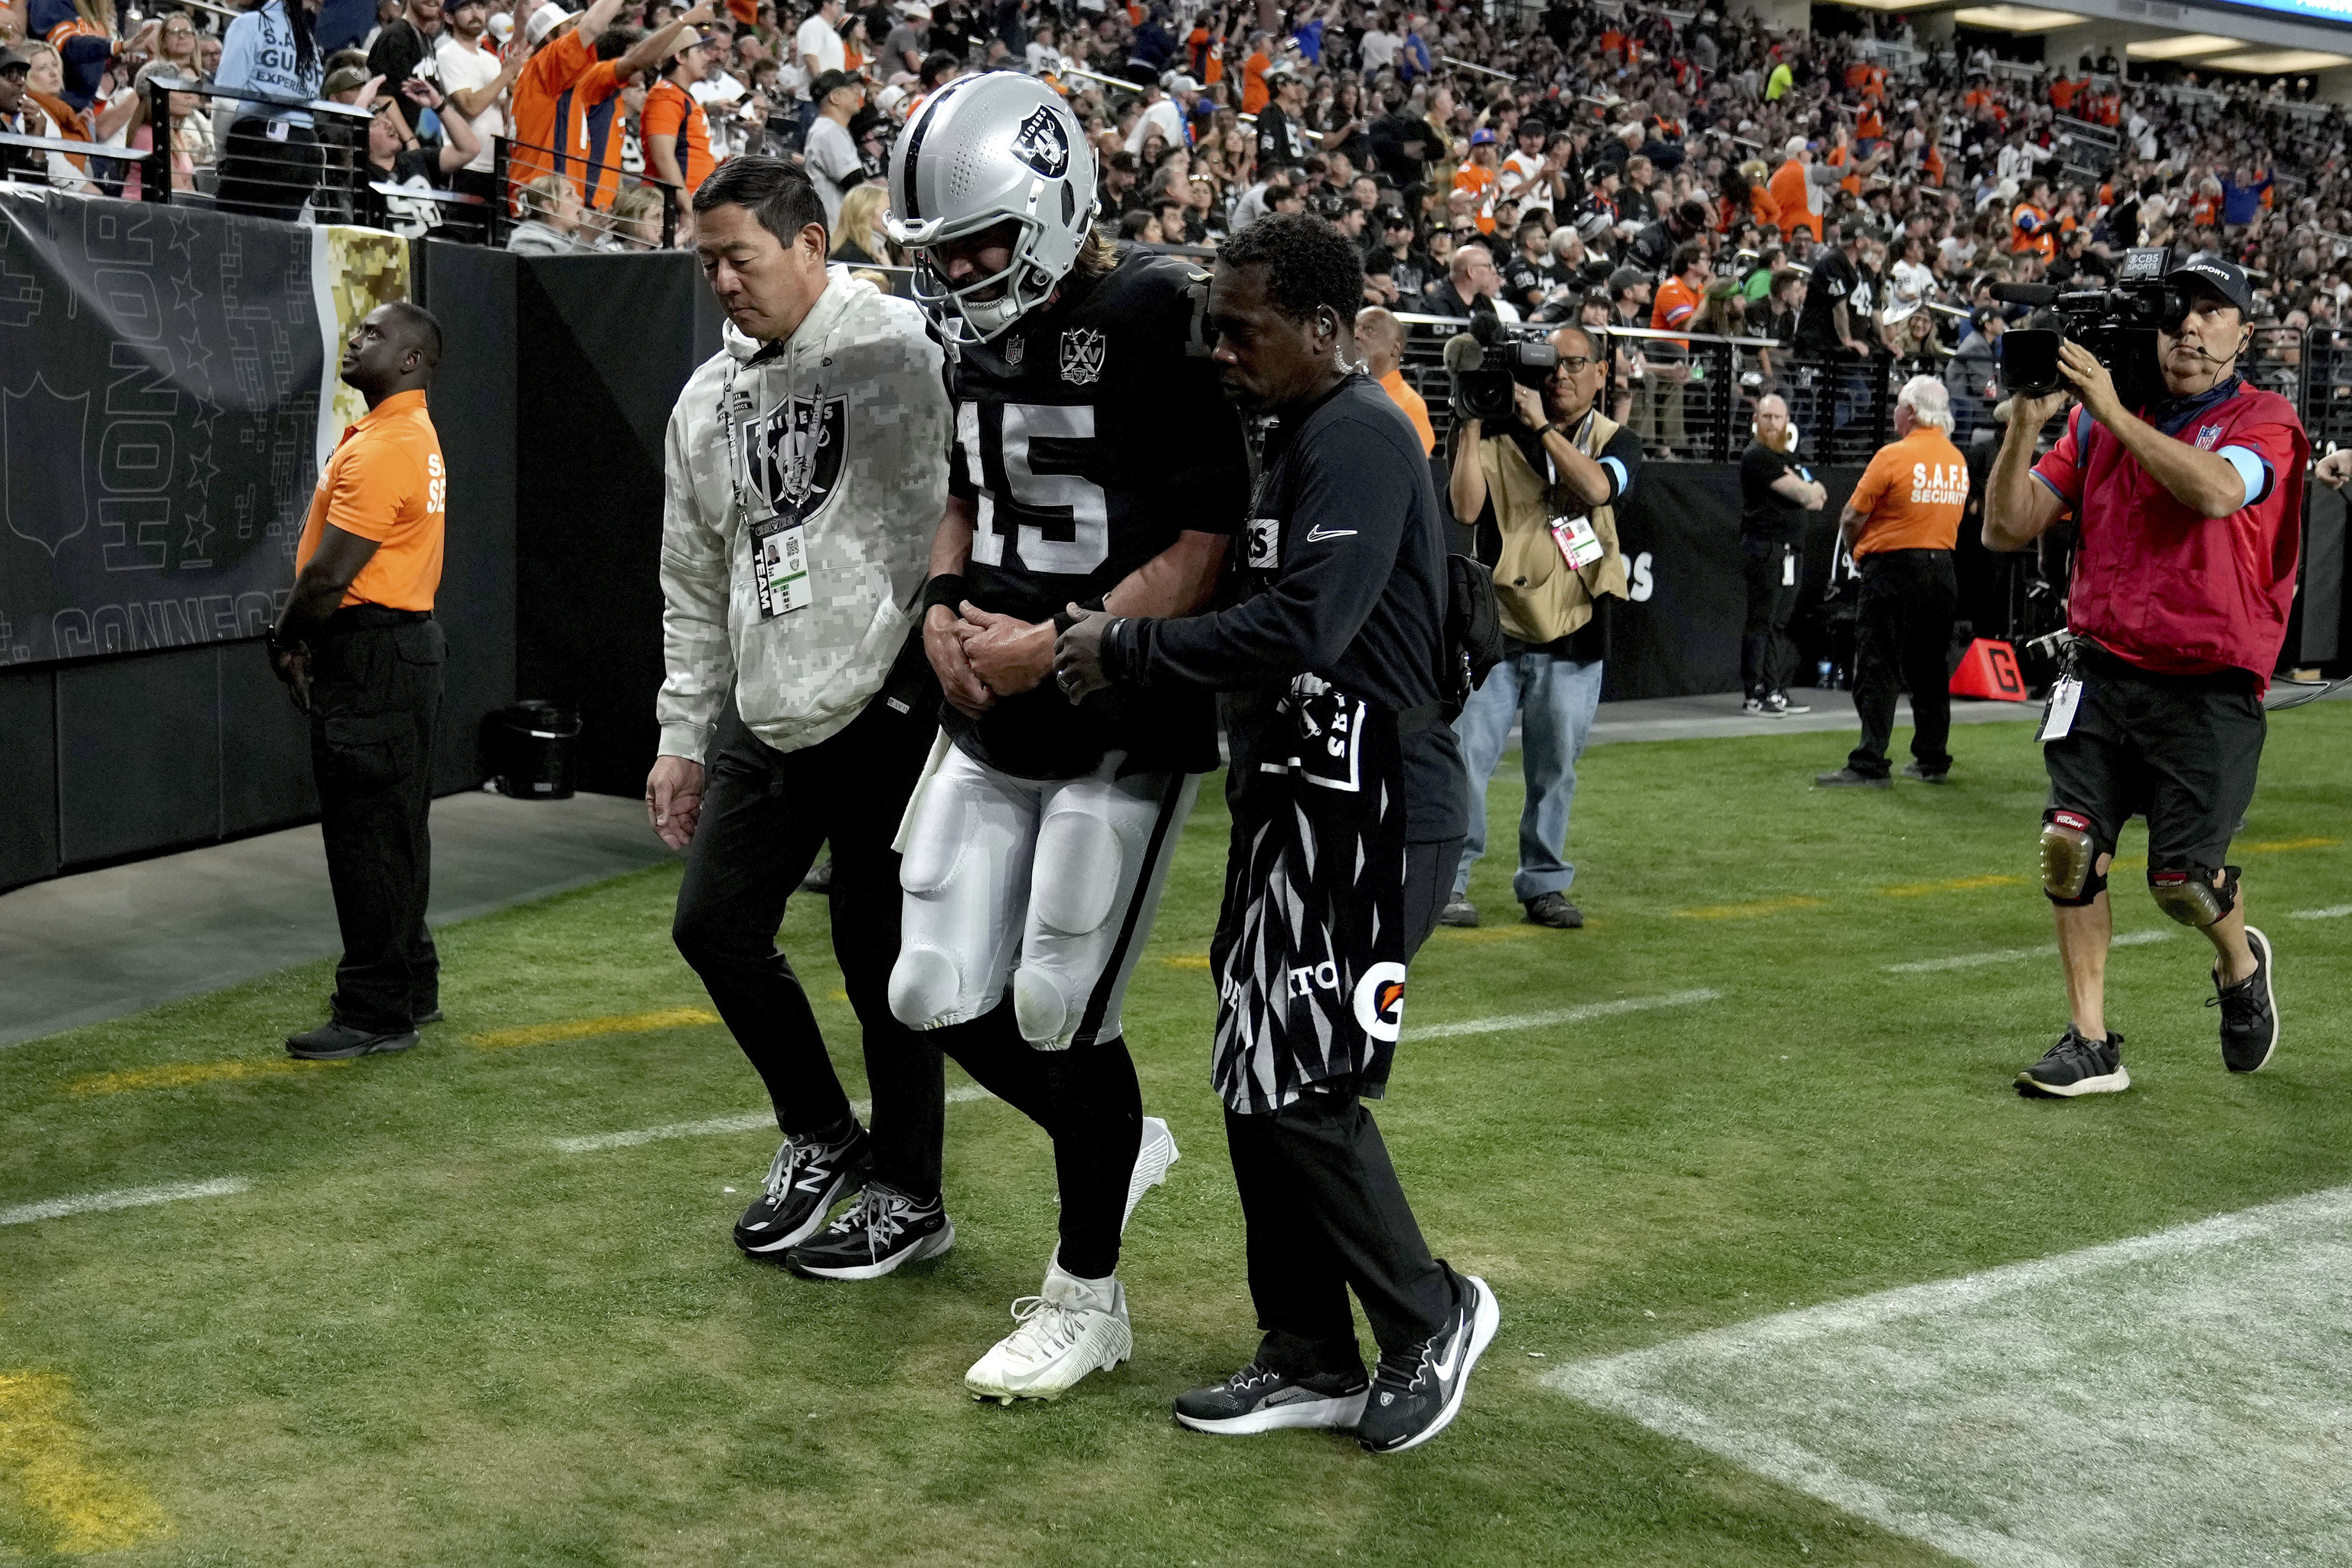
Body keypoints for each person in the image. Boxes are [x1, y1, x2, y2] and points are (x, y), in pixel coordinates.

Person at [1053, 212, 1498, 1455]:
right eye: (1214, 328)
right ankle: (1307, 1348)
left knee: (1304, 1084)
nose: (1221, 352)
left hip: (1375, 806)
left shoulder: (1357, 433)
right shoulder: (1295, 434)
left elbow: (1309, 621)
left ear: (1323, 329)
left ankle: (1431, 1316)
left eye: (1244, 331)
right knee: (1255, 1077)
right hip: (1295, 799)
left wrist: (1130, 645)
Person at [871, 71, 1246, 1400]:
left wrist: (1068, 638)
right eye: (936, 253)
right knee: (926, 990)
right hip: (990, 689)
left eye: (973, 243)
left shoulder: (1151, 310)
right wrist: (937, 606)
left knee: (1054, 1002)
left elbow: (1207, 534)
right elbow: (963, 501)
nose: (957, 274)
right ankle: (1118, 1137)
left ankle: (1089, 1296)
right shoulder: (978, 333)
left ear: (1047, 207)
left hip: (1116, 707)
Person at [646, 158, 954, 1276]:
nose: (723, 281)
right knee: (712, 927)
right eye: (708, 262)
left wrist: (924, 677)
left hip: (885, 704)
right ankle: (823, 1133)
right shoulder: (706, 398)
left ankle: (912, 1195)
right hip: (762, 705)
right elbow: (692, 574)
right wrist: (684, 733)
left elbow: (952, 525)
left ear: (812, 244)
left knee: (887, 968)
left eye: (743, 257)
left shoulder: (903, 356)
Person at [1984, 256, 2303, 1099]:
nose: (2191, 329)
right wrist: (2027, 419)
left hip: (2207, 682)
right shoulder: (2093, 424)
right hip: (2100, 668)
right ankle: (2091, 1041)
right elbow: (2007, 527)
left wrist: (2112, 412)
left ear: (2244, 331)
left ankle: (2239, 961)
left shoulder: (2263, 417)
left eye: (2212, 312)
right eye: (2176, 314)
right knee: (2068, 847)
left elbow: (2216, 492)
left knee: (2183, 880)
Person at [266, 302, 450, 1060]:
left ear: (410, 359)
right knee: (397, 825)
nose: (355, 337)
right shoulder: (409, 435)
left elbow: (327, 577)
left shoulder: (385, 447)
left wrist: (286, 643)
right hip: (403, 650)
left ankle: (375, 1010)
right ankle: (411, 983)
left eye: (374, 334)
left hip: (371, 653)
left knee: (367, 832)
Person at [1441, 322, 1639, 931]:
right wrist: (1471, 421)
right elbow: (1465, 508)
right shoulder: (1492, 427)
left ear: (1602, 373)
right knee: (1467, 761)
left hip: (1575, 627)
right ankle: (1450, 883)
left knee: (1555, 768)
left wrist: (1543, 428)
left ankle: (1544, 886)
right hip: (1496, 626)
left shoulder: (1616, 438)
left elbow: (1598, 487)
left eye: (1576, 363)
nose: (1560, 374)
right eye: (1551, 363)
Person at [1815, 375, 1966, 789]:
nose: (1895, 413)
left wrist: (1855, 552)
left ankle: (1869, 761)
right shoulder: (1956, 460)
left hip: (1895, 570)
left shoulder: (1893, 456)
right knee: (1930, 669)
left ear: (1911, 412)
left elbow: (1851, 516)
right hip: (1942, 571)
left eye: (1899, 406)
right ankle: (1932, 758)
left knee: (1878, 664)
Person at [1738, 394, 1822, 715]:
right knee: (1761, 620)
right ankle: (1754, 692)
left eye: (1778, 417)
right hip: (1766, 548)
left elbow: (1819, 499)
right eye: (1767, 416)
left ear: (1788, 421)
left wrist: (1806, 490)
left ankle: (1774, 689)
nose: (1773, 423)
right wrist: (1804, 489)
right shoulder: (1757, 456)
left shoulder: (1787, 458)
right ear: (1756, 420)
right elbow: (1804, 492)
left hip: (1790, 550)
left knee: (1778, 622)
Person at [211, 0, 326, 220]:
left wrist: (221, 153)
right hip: (305, 150)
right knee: (276, 245)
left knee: (231, 237)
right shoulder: (305, 38)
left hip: (261, 150)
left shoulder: (248, 24)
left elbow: (225, 100)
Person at [644, 24, 717, 205]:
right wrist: (687, 207)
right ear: (680, 56)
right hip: (672, 207)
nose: (707, 57)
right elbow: (663, 156)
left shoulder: (682, 96)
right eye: (699, 52)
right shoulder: (665, 95)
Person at [1356, 305, 1432, 455]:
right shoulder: (1342, 393)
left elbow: (1414, 468)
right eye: (1354, 328)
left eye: (1369, 329)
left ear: (1395, 348)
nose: (1356, 335)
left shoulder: (1410, 405)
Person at [799, 65, 861, 227]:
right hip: (835, 232)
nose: (856, 93)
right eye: (850, 89)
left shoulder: (826, 128)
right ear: (835, 98)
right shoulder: (829, 131)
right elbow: (854, 182)